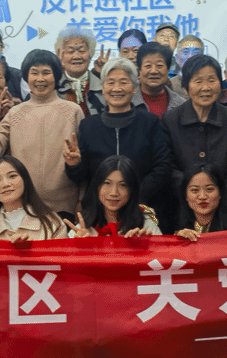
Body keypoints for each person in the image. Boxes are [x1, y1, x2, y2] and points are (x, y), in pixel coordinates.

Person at [64, 57, 172, 232]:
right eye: (110, 82)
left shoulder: (150, 122)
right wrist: (74, 164)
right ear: (103, 88)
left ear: (135, 87)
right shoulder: (88, 125)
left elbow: (163, 167)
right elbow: (81, 176)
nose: (116, 88)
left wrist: (130, 195)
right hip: (98, 214)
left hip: (142, 212)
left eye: (123, 82)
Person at [0, 49, 84, 216]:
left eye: (46, 72)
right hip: (22, 206)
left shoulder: (73, 111)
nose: (40, 78)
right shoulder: (15, 113)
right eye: (34, 73)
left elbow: (83, 160)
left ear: (56, 76)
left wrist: (81, 200)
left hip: (65, 207)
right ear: (26, 77)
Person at [162, 54, 227, 224]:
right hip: (181, 211)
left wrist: (216, 196)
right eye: (198, 81)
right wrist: (193, 195)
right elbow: (168, 167)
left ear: (221, 84)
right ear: (185, 88)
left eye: (211, 80)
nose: (205, 87)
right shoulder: (170, 120)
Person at [0, 155, 69, 241]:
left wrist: (31, 251)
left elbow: (63, 260)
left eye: (12, 176)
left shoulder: (51, 222)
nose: (5, 184)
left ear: (25, 180)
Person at [62, 155, 161, 238]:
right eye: (107, 183)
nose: (114, 192)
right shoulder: (83, 228)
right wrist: (82, 247)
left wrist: (146, 247)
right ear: (97, 186)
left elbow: (163, 254)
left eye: (123, 185)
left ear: (132, 189)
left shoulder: (145, 225)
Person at [54, 26, 105, 116]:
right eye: (70, 51)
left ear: (91, 54)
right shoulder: (53, 87)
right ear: (61, 56)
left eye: (82, 51)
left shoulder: (104, 86)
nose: (77, 56)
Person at [132, 42, 186, 118]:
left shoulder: (181, 105)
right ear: (139, 70)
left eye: (159, 65)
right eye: (148, 66)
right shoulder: (127, 102)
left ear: (167, 70)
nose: (153, 71)